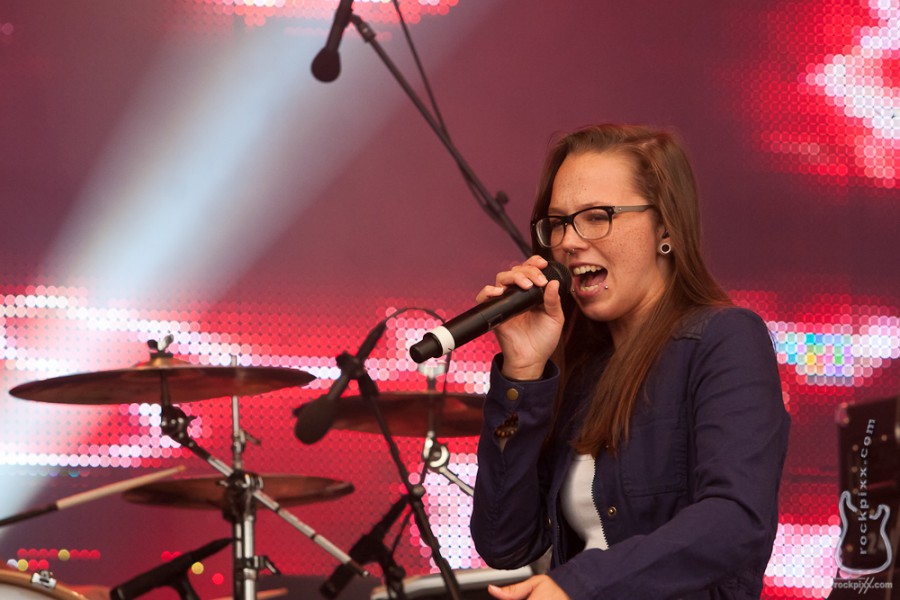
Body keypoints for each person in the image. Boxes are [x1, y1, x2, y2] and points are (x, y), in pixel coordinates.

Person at [469, 124, 790, 599]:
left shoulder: (724, 339)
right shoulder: (581, 372)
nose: (570, 242)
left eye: (597, 216)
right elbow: (504, 542)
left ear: (666, 226)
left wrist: (578, 585)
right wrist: (522, 370)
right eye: (558, 223)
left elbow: (735, 520)